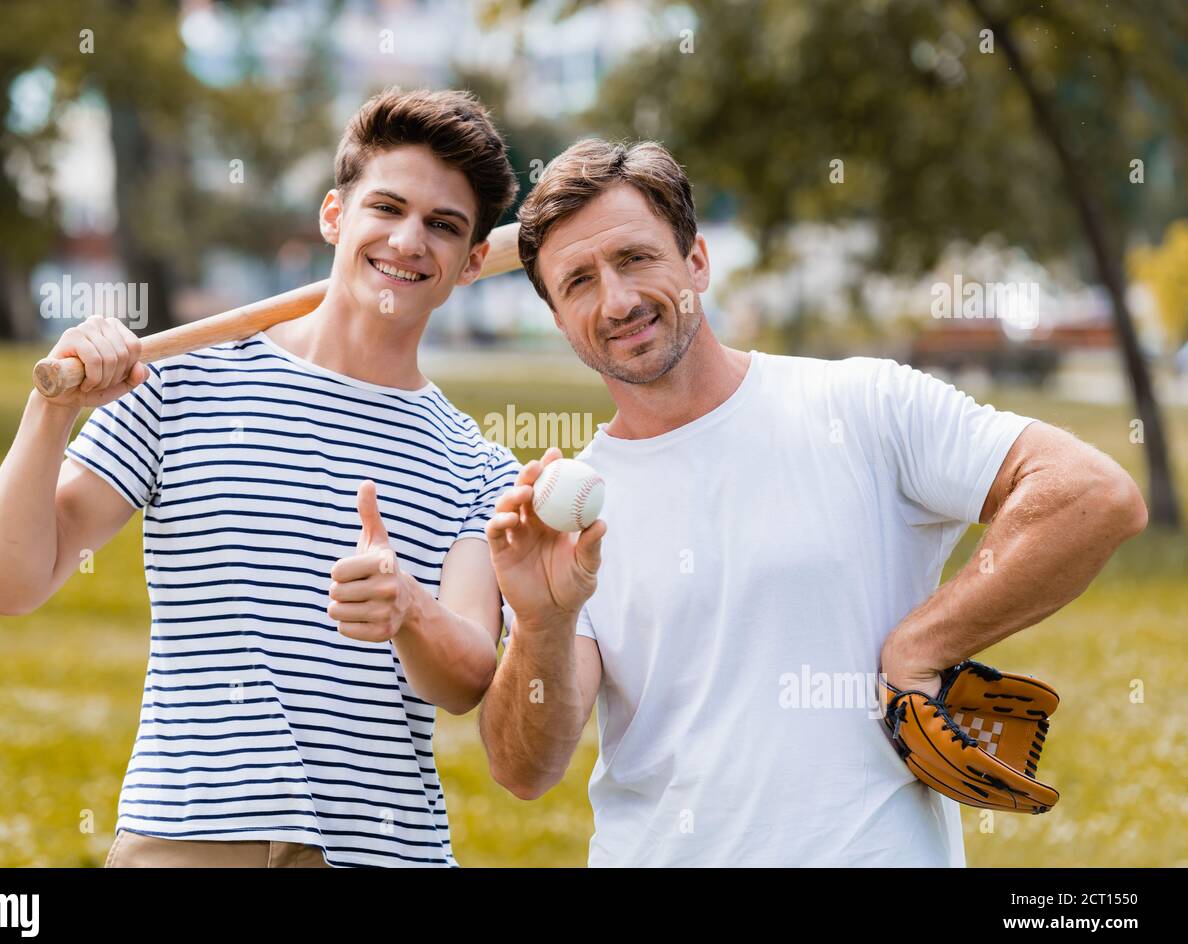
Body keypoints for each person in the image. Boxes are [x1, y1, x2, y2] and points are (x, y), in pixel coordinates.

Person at [478, 138, 1148, 866]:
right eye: (578, 281)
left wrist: (921, 644)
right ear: (559, 317)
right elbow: (523, 770)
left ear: (696, 261)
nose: (617, 300)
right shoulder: (575, 522)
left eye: (636, 259)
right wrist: (545, 620)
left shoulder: (862, 403)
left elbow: (1091, 493)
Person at [0, 88, 520, 868]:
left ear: (471, 264)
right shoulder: (177, 381)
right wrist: (49, 410)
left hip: (378, 851)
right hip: (187, 837)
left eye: (443, 225)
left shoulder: (475, 464)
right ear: (335, 215)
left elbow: (467, 675)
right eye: (387, 207)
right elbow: (7, 583)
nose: (408, 240)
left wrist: (406, 608)